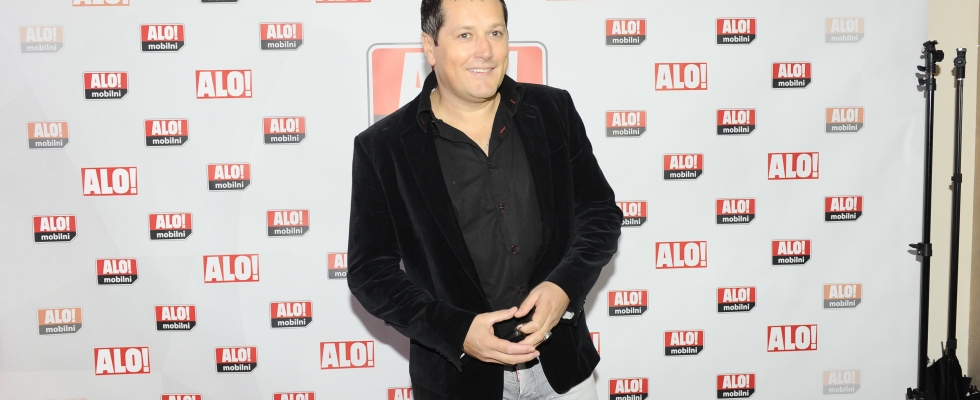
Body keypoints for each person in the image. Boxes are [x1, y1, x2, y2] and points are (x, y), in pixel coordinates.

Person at [346, 0, 622, 398]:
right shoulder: (383, 147)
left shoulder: (552, 111)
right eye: (465, 35)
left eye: (495, 32)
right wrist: (457, 331)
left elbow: (599, 213)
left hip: (563, 369)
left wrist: (564, 288)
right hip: (457, 381)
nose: (485, 50)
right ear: (430, 46)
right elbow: (370, 271)